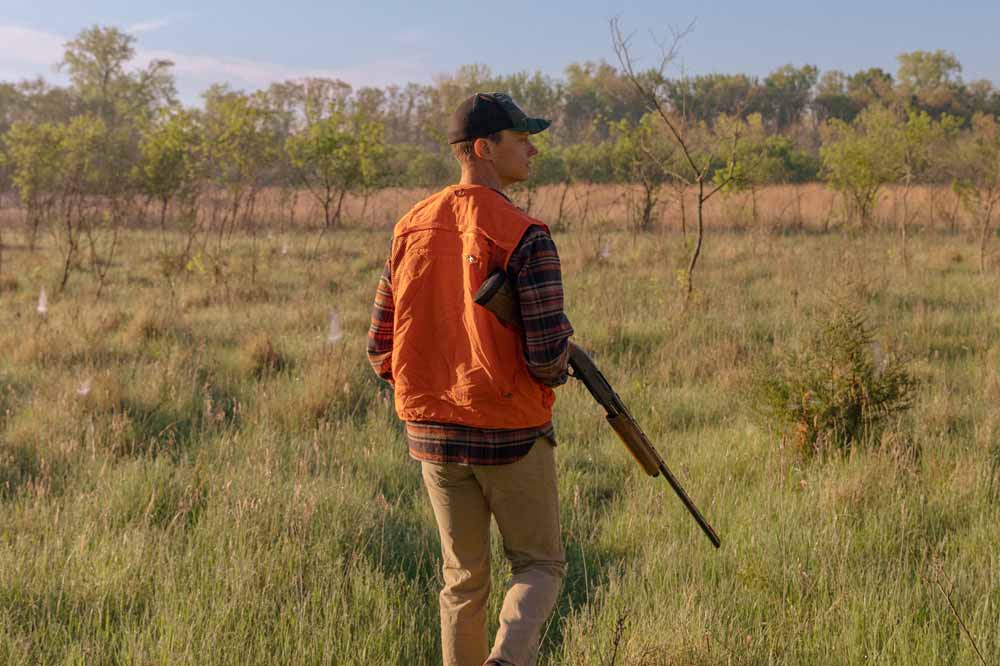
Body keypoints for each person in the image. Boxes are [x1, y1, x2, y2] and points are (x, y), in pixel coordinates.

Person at [367, 92, 574, 666]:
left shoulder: (409, 227)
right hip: (510, 433)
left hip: (432, 435)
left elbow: (380, 348)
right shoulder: (525, 233)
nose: (532, 150)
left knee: (461, 580)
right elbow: (547, 357)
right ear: (484, 149)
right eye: (520, 139)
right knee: (538, 564)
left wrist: (432, 389)